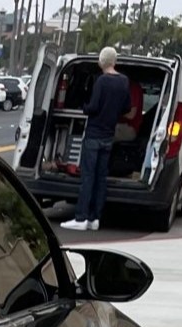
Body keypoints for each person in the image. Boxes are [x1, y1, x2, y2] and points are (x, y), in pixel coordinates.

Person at [61, 47, 133, 231]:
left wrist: (84, 107)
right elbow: (126, 108)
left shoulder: (101, 81)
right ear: (114, 61)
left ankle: (81, 217)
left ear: (101, 61)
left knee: (88, 177)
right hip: (109, 135)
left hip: (94, 133)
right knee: (101, 178)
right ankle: (95, 218)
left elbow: (93, 107)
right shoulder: (124, 81)